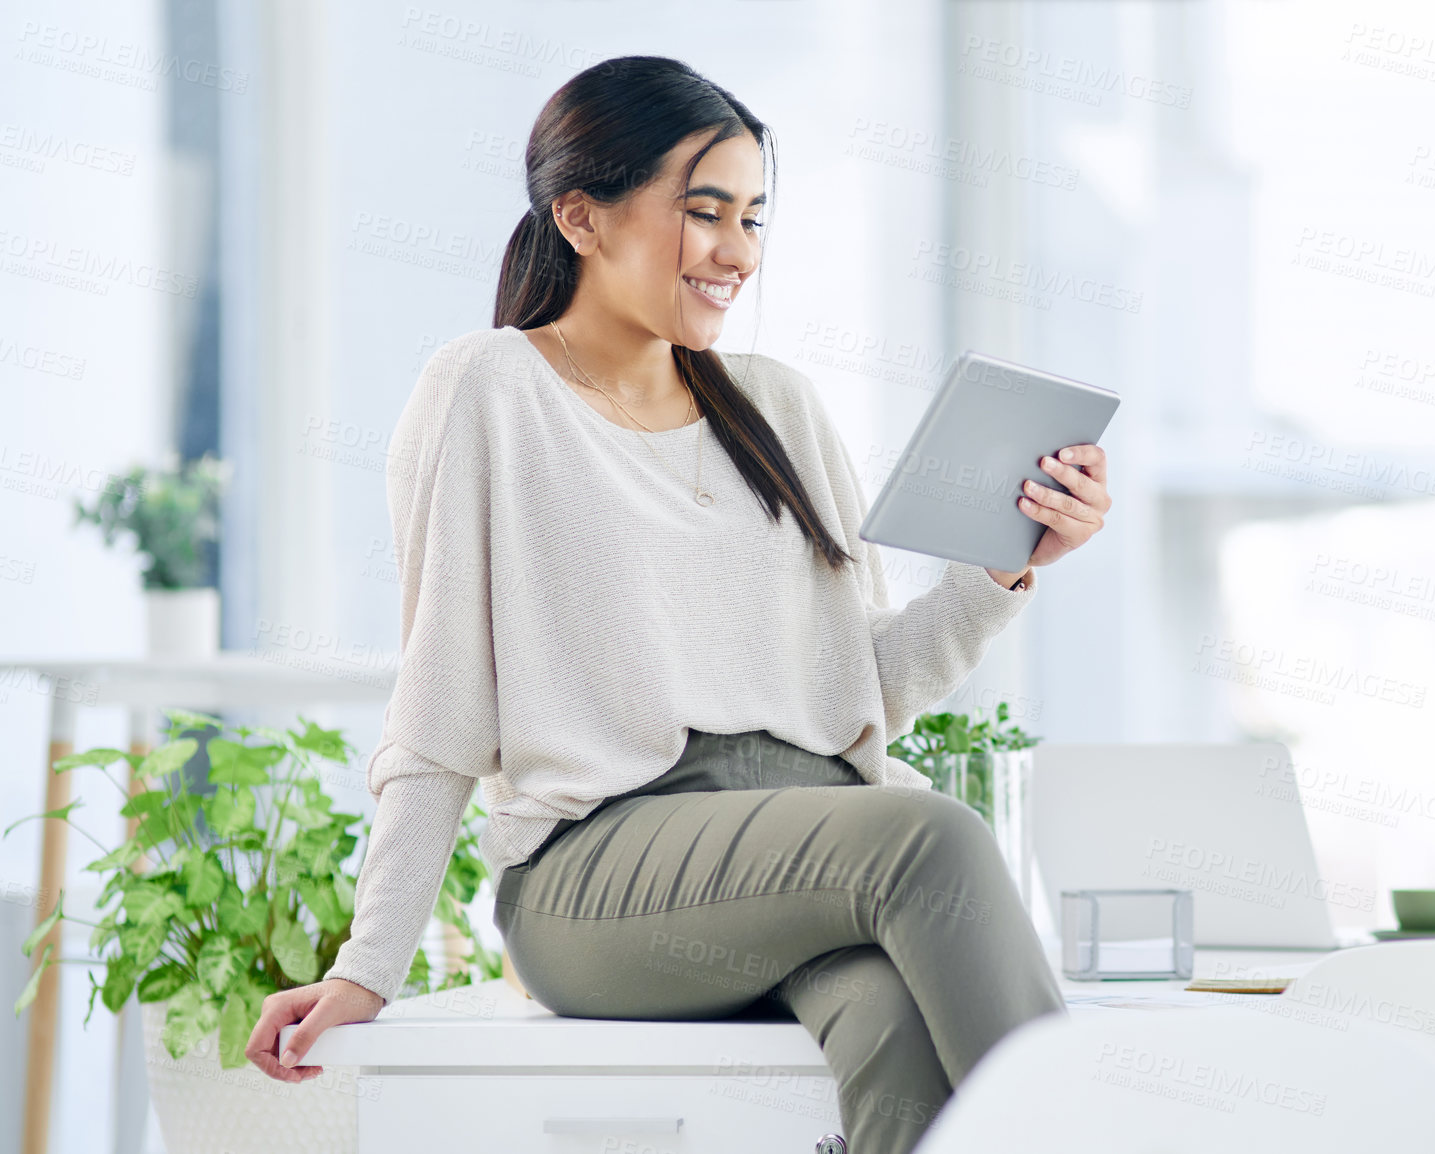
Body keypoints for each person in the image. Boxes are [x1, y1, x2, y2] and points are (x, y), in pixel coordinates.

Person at [246, 54, 1111, 1153]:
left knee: (892, 1026)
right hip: (601, 876)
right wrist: (366, 969)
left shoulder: (779, 408)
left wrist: (997, 571)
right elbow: (439, 712)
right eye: (704, 213)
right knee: (931, 835)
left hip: (810, 851)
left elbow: (866, 689)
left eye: (752, 218)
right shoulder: (490, 389)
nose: (736, 253)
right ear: (580, 216)